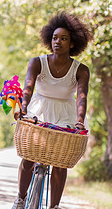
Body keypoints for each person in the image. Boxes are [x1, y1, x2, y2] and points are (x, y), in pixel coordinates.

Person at [11, 12, 92, 209]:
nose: (58, 42)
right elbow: (28, 87)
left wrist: (80, 120)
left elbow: (81, 97)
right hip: (38, 108)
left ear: (72, 43)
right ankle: (21, 199)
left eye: (64, 39)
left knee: (61, 161)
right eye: (55, 38)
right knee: (29, 156)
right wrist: (23, 107)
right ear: (50, 39)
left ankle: (54, 206)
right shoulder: (37, 62)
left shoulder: (81, 70)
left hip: (66, 112)